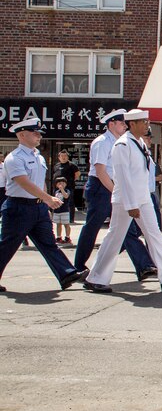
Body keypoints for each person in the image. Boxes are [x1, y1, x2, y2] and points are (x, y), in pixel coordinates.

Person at [83, 110, 162, 293]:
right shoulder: (122, 145)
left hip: (143, 198)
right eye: (143, 122)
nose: (147, 125)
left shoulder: (139, 143)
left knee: (155, 236)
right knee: (114, 238)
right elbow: (123, 177)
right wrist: (131, 205)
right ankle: (95, 277)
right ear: (132, 124)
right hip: (126, 200)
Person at [0, 118, 86, 292]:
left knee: (48, 243)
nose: (39, 136)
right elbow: (23, 182)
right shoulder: (14, 158)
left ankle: (66, 273)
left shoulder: (38, 156)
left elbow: (40, 183)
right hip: (19, 207)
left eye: (39, 133)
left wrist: (44, 204)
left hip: (38, 207)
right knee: (8, 246)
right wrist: (47, 198)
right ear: (22, 134)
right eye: (35, 133)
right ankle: (66, 272)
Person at [73, 109, 155, 279]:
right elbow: (100, 171)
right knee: (93, 227)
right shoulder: (102, 142)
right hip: (101, 188)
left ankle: (144, 265)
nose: (125, 126)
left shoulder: (124, 141)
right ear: (111, 124)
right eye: (121, 123)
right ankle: (79, 265)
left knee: (127, 230)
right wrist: (116, 192)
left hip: (116, 187)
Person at [52, 149, 80, 224]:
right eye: (62, 156)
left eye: (65, 156)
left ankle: (71, 219)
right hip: (57, 187)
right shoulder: (57, 165)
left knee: (70, 202)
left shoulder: (72, 165)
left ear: (68, 157)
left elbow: (77, 174)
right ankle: (56, 217)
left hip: (68, 187)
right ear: (59, 157)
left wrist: (71, 181)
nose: (63, 157)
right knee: (56, 201)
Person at [52, 178, 71, 244]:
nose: (61, 184)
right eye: (59, 183)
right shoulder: (56, 192)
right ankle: (59, 237)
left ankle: (67, 237)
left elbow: (66, 196)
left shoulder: (67, 190)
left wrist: (62, 189)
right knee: (58, 224)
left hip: (65, 210)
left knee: (66, 224)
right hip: (57, 210)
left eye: (63, 183)